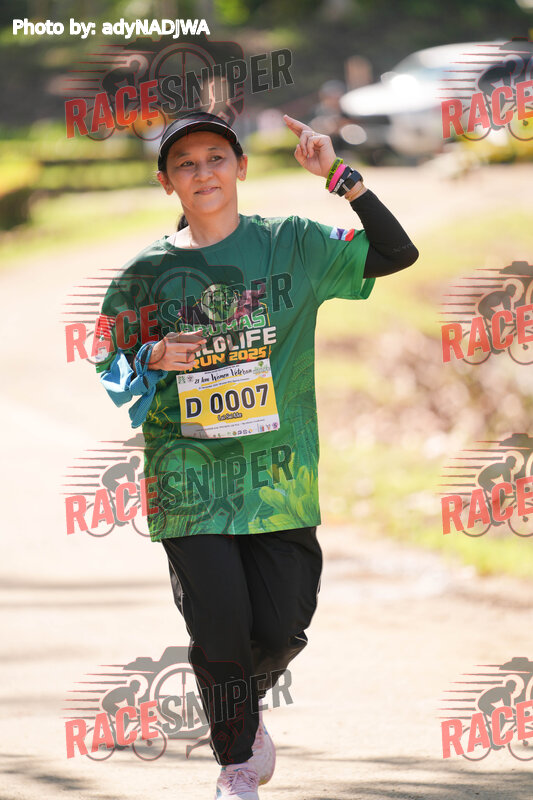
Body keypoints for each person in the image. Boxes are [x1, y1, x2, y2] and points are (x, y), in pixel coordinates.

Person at [94, 109, 419, 799]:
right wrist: (150, 355)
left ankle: (241, 697)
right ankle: (237, 763)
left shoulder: (292, 244)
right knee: (219, 627)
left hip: (279, 478)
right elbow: (108, 364)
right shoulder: (147, 274)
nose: (203, 173)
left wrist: (341, 177)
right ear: (166, 182)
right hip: (188, 482)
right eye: (185, 164)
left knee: (279, 627)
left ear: (240, 167)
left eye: (215, 158)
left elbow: (396, 254)